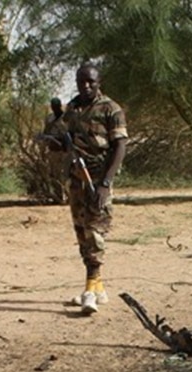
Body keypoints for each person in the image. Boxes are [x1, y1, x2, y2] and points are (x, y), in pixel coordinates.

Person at [56, 63, 128, 315]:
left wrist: (106, 184)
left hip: (99, 179)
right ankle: (97, 287)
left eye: (91, 82)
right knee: (82, 232)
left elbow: (120, 147)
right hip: (76, 179)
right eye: (81, 81)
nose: (86, 86)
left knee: (96, 231)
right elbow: (64, 141)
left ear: (99, 82)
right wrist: (54, 141)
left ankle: (90, 288)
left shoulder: (111, 109)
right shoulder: (72, 108)